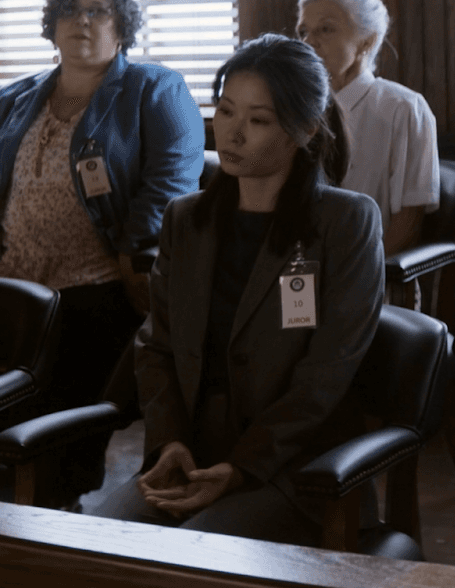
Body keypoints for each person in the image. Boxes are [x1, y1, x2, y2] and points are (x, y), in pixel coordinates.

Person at [86, 34, 383, 546]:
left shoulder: (346, 221)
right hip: (192, 455)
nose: (233, 133)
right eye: (225, 111)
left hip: (297, 471)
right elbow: (156, 347)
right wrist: (169, 443)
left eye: (258, 120)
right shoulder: (186, 218)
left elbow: (326, 375)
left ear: (305, 130)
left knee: (192, 558)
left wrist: (242, 466)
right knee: (98, 549)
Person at [0, 0, 203, 506]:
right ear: (52, 24)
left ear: (123, 26)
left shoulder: (154, 89)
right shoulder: (17, 97)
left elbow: (171, 185)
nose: (82, 21)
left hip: (100, 291)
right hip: (14, 291)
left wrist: (132, 255)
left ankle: (53, 520)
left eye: (98, 10)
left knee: (54, 438)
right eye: (70, 10)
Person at [296, 0, 438, 258]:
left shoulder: (403, 108)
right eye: (303, 32)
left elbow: (407, 225)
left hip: (370, 267)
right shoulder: (299, 109)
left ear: (366, 41)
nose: (309, 42)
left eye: (326, 29)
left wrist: (356, 273)